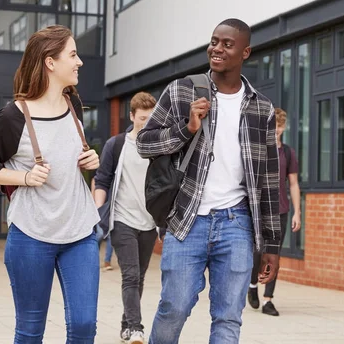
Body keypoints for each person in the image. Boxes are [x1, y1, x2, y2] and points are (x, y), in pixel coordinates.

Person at [136, 18, 281, 344]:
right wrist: (185, 129)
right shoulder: (181, 90)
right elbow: (144, 143)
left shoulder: (261, 108)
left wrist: (271, 245)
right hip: (187, 220)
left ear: (245, 52)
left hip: (237, 224)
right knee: (174, 308)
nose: (216, 48)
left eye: (227, 44)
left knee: (229, 317)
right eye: (214, 41)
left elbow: (270, 181)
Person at [0, 25, 101, 344]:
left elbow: (68, 157)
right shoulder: (13, 117)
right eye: (73, 54)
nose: (79, 62)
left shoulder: (74, 105)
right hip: (31, 235)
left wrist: (90, 160)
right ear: (50, 62)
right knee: (30, 331)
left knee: (84, 326)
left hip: (80, 233)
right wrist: (25, 177)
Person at [93, 92, 157, 344]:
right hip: (122, 220)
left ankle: (125, 324)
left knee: (139, 276)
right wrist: (100, 211)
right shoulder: (116, 144)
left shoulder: (158, 146)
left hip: (150, 222)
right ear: (131, 116)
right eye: (142, 118)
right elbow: (102, 178)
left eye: (151, 118)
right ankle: (137, 328)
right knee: (130, 275)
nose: (147, 123)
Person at [248, 108, 302, 316]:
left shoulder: (288, 153)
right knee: (257, 253)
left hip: (280, 210)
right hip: (260, 211)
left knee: (274, 256)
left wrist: (297, 212)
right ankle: (252, 285)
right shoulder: (259, 150)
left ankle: (268, 300)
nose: (277, 130)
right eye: (274, 126)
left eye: (280, 126)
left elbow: (294, 184)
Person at [91, 177, 114, 271]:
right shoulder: (95, 179)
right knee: (100, 235)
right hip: (99, 211)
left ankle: (107, 261)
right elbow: (93, 195)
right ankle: (93, 259)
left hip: (110, 211)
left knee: (111, 237)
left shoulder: (112, 178)